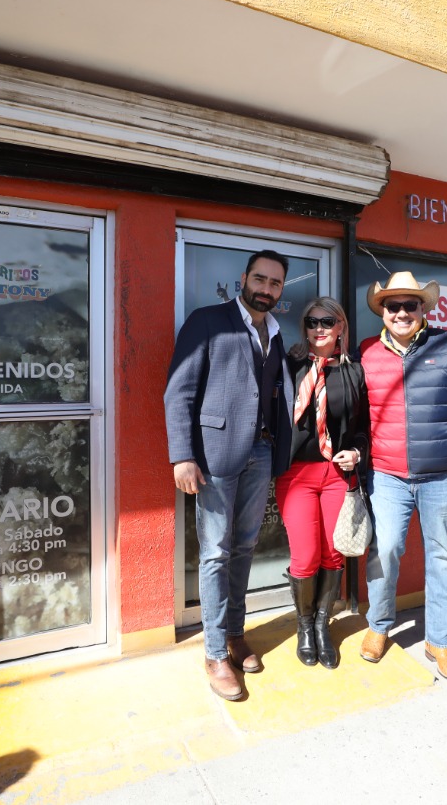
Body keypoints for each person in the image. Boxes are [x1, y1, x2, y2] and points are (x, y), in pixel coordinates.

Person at [164, 249, 293, 701]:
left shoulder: (275, 332)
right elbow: (178, 391)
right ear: (244, 278)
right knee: (216, 553)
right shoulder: (207, 321)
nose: (266, 289)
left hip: (261, 451)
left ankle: (236, 634)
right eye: (260, 279)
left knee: (244, 548)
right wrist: (182, 455)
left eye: (275, 283)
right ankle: (215, 652)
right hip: (215, 455)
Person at [357, 271, 447, 682]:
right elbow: (354, 412)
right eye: (392, 305)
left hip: (441, 478)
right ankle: (379, 626)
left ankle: (440, 641)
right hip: (387, 476)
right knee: (385, 550)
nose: (401, 312)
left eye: (409, 305)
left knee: (442, 558)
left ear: (422, 309)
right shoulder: (366, 352)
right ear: (382, 311)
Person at [276, 297, 369, 670]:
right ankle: (304, 626)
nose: (319, 328)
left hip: (335, 475)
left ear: (341, 327)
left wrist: (357, 452)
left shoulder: (353, 372)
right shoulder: (290, 365)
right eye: (312, 321)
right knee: (305, 555)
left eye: (327, 321)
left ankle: (320, 625)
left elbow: (362, 427)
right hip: (296, 473)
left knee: (334, 553)